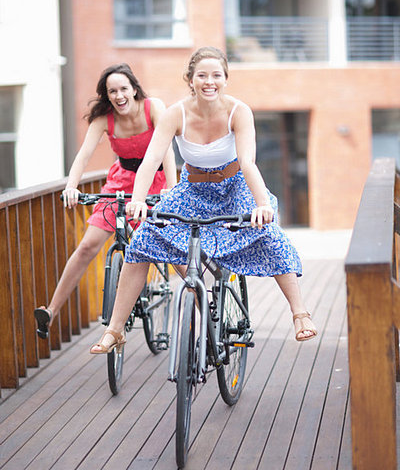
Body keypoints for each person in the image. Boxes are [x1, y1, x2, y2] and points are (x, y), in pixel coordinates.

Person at [89, 47, 316, 354]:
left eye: (217, 76)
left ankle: (299, 313)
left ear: (226, 78)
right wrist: (139, 200)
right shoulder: (175, 114)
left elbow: (248, 163)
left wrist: (262, 204)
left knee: (269, 235)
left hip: (235, 186)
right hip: (192, 190)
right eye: (202, 76)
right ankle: (115, 330)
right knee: (142, 240)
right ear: (190, 79)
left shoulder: (239, 111)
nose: (210, 82)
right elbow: (151, 159)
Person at [34, 63, 177, 339]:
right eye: (112, 91)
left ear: (134, 89)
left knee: (165, 250)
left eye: (123, 88)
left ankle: (205, 307)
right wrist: (72, 186)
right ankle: (51, 311)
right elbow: (84, 154)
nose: (118, 95)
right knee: (87, 246)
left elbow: (167, 152)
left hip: (155, 183)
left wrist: (172, 190)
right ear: (107, 95)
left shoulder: (154, 108)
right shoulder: (104, 118)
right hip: (120, 184)